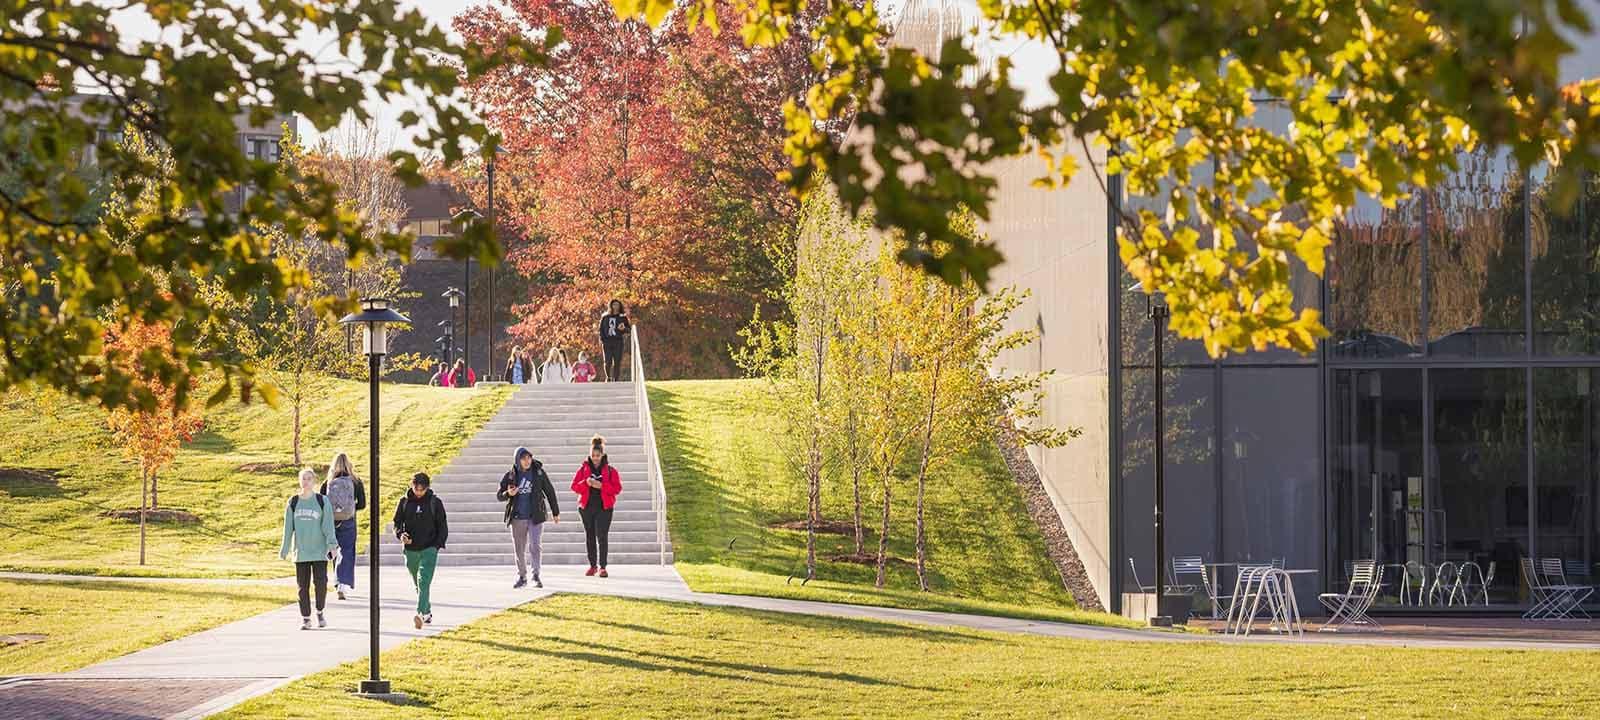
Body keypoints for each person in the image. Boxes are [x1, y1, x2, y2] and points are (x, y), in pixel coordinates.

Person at [280, 468, 337, 630]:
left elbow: (328, 525)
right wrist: (284, 549)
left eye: (309, 479)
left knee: (321, 584)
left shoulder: (322, 501)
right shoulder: (293, 502)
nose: (306, 482)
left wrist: (332, 545)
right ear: (300, 481)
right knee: (302, 587)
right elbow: (288, 528)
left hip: (319, 551)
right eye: (303, 479)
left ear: (314, 482)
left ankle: (319, 612)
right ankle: (306, 618)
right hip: (301, 552)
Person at [497, 447, 560, 588]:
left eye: (529, 458)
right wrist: (508, 494)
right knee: (519, 548)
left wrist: (555, 512)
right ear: (517, 460)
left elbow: (549, 490)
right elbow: (499, 495)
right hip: (518, 517)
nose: (527, 461)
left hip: (535, 516)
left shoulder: (538, 473)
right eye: (523, 458)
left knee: (535, 546)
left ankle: (536, 575)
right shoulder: (511, 475)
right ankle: (522, 576)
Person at [394, 472, 448, 629]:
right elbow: (397, 523)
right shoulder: (404, 502)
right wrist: (400, 535)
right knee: (418, 583)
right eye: (416, 489)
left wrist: (437, 545)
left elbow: (442, 526)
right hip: (410, 550)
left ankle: (419, 614)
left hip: (429, 548)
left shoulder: (435, 503)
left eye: (421, 489)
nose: (418, 492)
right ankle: (427, 611)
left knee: (423, 580)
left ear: (427, 488)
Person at [571, 435, 622, 577]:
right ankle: (592, 566)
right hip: (586, 508)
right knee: (590, 536)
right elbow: (574, 486)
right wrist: (585, 483)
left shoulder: (610, 470)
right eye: (593, 455)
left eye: (598, 455)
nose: (595, 458)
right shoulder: (583, 469)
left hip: (604, 508)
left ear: (602, 455)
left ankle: (603, 567)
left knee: (602, 536)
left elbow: (617, 488)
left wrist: (601, 486)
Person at [319, 453, 366, 600]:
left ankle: (337, 581)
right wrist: (350, 508)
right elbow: (362, 504)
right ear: (349, 464)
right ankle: (343, 584)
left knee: (334, 550)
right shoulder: (356, 481)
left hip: (331, 521)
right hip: (348, 520)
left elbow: (321, 502)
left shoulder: (328, 482)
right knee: (347, 550)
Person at [598, 300, 631, 382]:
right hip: (607, 341)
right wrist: (602, 340)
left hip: (618, 341)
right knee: (607, 361)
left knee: (617, 361)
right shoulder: (605, 317)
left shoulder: (622, 317)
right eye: (614, 305)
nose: (616, 306)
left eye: (617, 305)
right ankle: (608, 377)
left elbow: (628, 329)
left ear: (620, 306)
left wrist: (623, 329)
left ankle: (616, 379)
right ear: (611, 306)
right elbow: (601, 329)